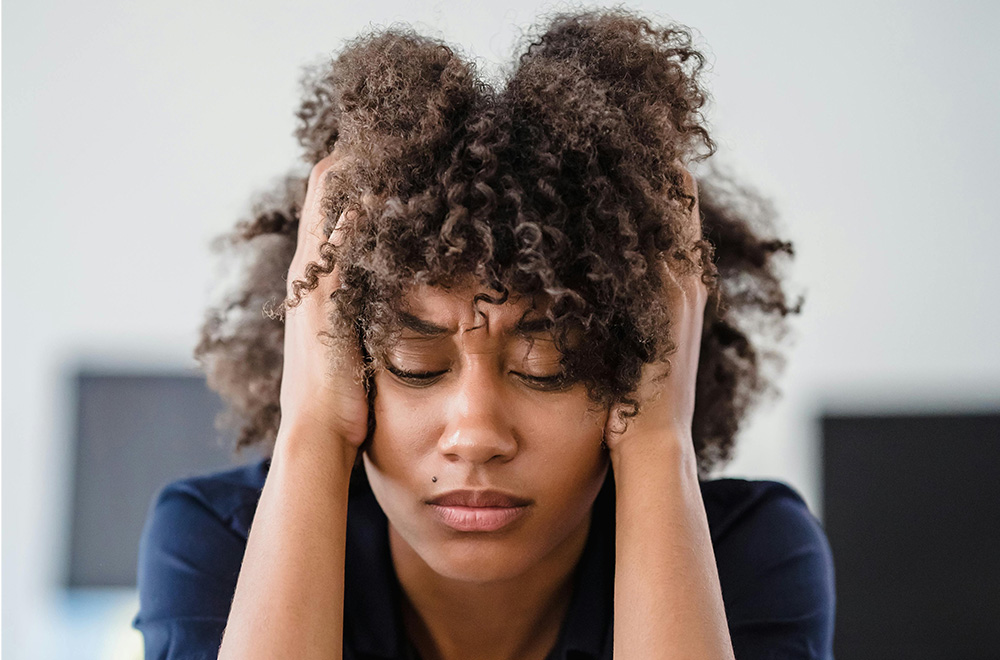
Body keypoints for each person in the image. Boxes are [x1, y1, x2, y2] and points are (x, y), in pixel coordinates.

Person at [133, 8, 835, 660]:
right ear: (339, 359)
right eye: (413, 362)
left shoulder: (748, 552)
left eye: (547, 363)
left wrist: (657, 446)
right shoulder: (217, 540)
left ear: (639, 367)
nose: (474, 434)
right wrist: (311, 431)